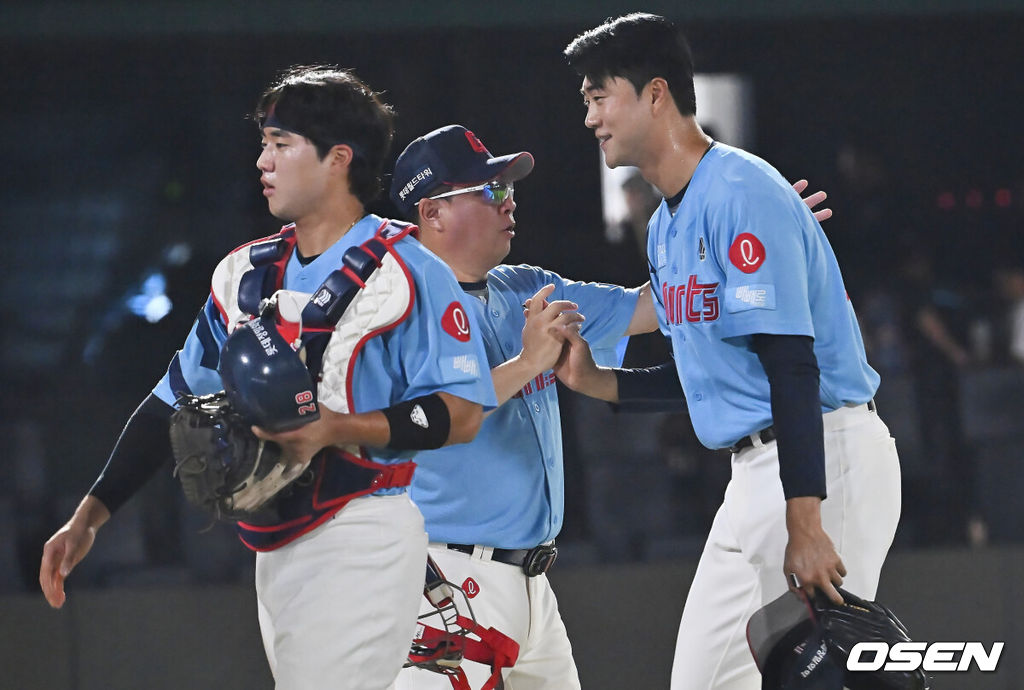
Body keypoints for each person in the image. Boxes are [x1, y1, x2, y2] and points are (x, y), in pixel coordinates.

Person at [39, 66, 496, 690]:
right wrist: (89, 517)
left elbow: (461, 415)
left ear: (338, 158)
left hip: (362, 529)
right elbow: (170, 399)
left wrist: (336, 428)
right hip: (272, 543)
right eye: (263, 144)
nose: (263, 161)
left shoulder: (410, 269)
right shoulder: (243, 274)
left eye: (281, 144)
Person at [386, 125, 834, 689]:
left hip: (532, 581)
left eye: (509, 188)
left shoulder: (523, 286)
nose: (509, 201)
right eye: (490, 189)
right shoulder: (395, 302)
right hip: (447, 580)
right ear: (432, 211)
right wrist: (527, 362)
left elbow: (650, 306)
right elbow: (426, 417)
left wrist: (760, 240)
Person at [561, 14, 901, 689]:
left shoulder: (741, 192)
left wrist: (806, 518)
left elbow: (791, 365)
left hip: (822, 456)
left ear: (655, 93)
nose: (591, 117)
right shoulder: (665, 223)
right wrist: (602, 382)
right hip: (752, 474)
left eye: (600, 96)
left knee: (818, 676)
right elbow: (712, 372)